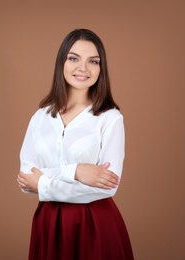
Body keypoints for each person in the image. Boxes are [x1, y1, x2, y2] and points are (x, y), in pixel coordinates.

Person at [17, 28, 134, 260]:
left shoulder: (110, 118)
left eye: (93, 61)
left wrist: (43, 183)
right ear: (62, 63)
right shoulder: (40, 117)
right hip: (48, 223)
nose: (83, 68)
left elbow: (107, 186)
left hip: (93, 223)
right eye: (74, 58)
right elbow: (24, 178)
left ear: (101, 69)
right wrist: (77, 171)